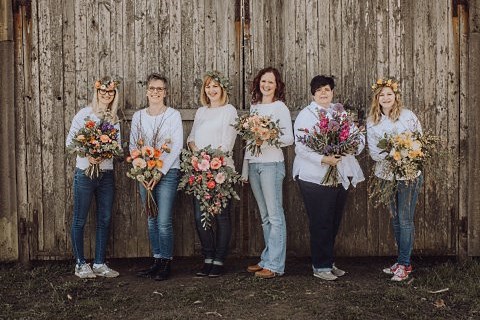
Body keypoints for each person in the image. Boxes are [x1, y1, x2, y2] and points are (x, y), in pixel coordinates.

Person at [293, 75, 365, 281]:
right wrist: (324, 158)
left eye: (327, 89)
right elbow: (301, 147)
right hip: (314, 175)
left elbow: (356, 138)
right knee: (321, 221)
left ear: (332, 92)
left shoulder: (339, 113)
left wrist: (350, 147)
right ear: (313, 94)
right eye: (318, 90)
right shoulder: (306, 115)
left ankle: (328, 260)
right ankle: (320, 265)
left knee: (333, 221)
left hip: (339, 173)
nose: (323, 93)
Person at [367, 77, 423, 282]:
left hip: (408, 174)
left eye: (389, 94)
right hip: (385, 175)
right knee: (395, 219)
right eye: (382, 95)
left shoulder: (408, 116)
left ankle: (405, 264)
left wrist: (404, 153)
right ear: (377, 98)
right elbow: (374, 152)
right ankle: (401, 261)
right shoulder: (372, 120)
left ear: (395, 96)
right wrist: (393, 154)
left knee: (405, 219)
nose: (386, 97)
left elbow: (419, 142)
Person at [66, 76, 121, 278]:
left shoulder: (114, 119)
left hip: (106, 174)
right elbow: (70, 143)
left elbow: (118, 148)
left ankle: (99, 263)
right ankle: (80, 263)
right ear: (97, 92)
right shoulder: (84, 114)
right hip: (85, 173)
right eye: (103, 92)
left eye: (110, 92)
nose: (106, 95)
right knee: (80, 218)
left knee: (104, 218)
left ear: (114, 95)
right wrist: (88, 153)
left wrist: (106, 152)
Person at [130, 73, 183, 281]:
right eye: (152, 88)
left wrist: (160, 172)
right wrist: (141, 170)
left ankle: (167, 262)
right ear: (146, 91)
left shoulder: (173, 115)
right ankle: (157, 259)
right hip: (144, 173)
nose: (155, 92)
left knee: (163, 221)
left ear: (165, 92)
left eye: (159, 89)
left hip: (167, 172)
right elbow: (134, 145)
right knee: (151, 220)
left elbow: (176, 145)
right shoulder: (138, 116)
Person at [243, 67, 294, 279]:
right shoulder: (254, 108)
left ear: (277, 85)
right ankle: (266, 259)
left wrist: (267, 137)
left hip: (272, 165)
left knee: (275, 216)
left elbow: (289, 139)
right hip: (255, 165)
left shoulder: (280, 107)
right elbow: (248, 141)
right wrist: (245, 168)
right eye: (263, 81)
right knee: (265, 217)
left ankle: (275, 265)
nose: (266, 85)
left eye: (271, 82)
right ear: (258, 83)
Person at [187, 71, 238, 277]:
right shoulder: (201, 111)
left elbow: (227, 142)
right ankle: (207, 256)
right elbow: (191, 137)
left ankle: (219, 259)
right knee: (201, 216)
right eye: (208, 86)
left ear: (222, 88)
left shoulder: (229, 110)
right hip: (199, 171)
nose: (211, 90)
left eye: (215, 86)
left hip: (221, 170)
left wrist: (211, 161)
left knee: (221, 216)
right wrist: (196, 154)